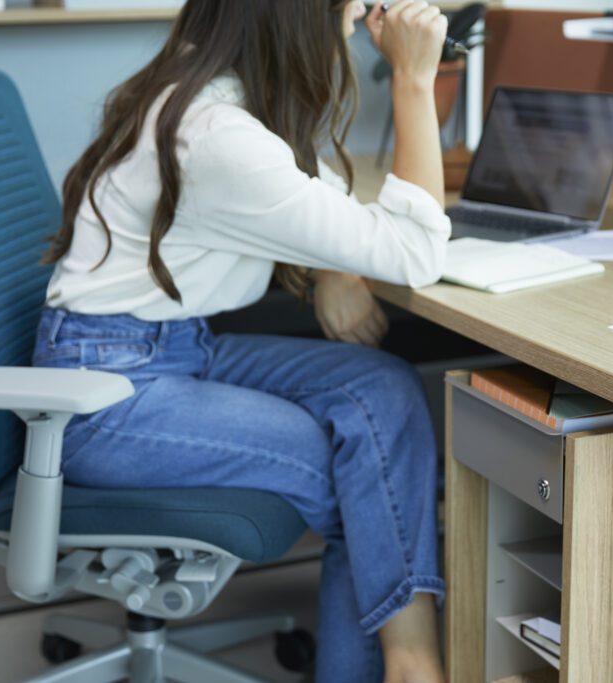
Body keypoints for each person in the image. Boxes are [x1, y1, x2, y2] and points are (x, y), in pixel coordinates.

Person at [34, 1, 451, 681]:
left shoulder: (214, 95)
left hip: (169, 349)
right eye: (345, 7)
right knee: (367, 475)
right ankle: (410, 667)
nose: (352, 22)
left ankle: (408, 659)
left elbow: (314, 183)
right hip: (110, 395)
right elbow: (415, 250)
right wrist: (412, 78)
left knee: (382, 387)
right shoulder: (217, 135)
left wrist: (335, 266)